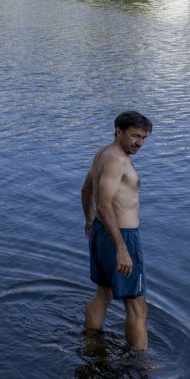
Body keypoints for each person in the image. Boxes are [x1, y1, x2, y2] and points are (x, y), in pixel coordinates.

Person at [80, 110, 153, 350]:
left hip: (103, 232)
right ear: (118, 131)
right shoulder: (117, 160)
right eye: (134, 136)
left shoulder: (103, 153)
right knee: (137, 308)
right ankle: (141, 369)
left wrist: (90, 220)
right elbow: (103, 202)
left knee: (104, 294)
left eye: (143, 137)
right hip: (121, 236)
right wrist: (122, 248)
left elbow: (86, 189)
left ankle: (91, 342)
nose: (139, 143)